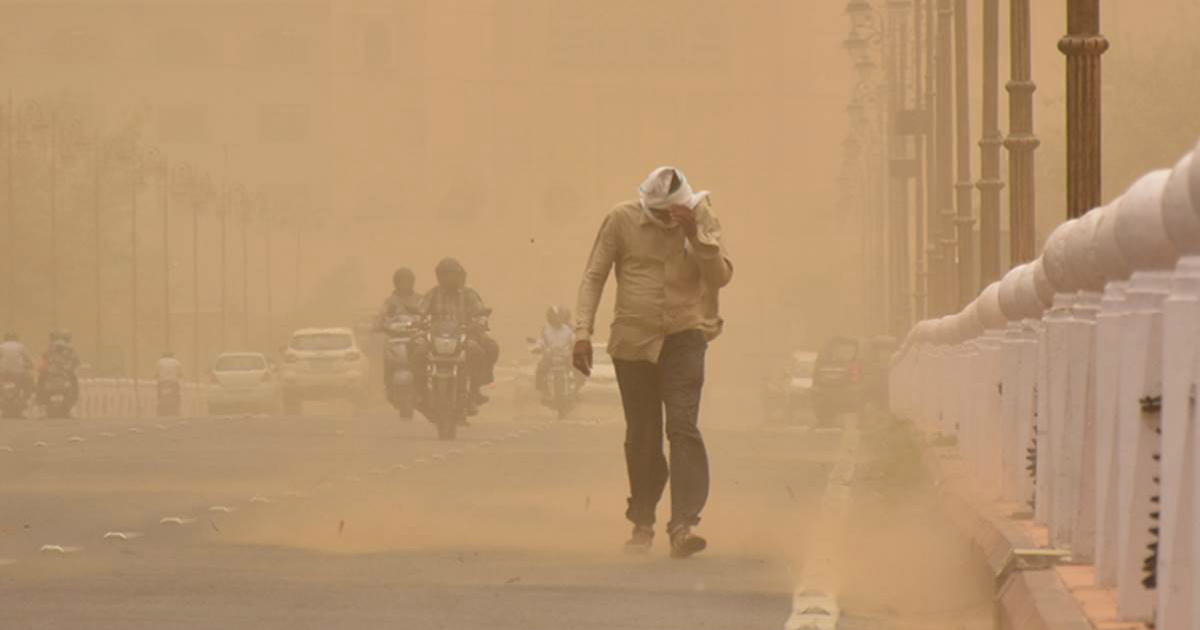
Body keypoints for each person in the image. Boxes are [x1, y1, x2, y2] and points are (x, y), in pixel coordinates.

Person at [574, 166, 733, 558]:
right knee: (643, 434)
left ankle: (682, 524)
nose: (665, 222)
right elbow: (594, 276)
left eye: (671, 215)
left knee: (682, 427)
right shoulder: (621, 219)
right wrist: (581, 332)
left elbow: (721, 276)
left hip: (685, 336)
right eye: (659, 215)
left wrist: (696, 236)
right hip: (633, 341)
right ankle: (642, 519)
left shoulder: (701, 218)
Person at [416, 258, 499, 410]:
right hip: (436, 338)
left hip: (465, 336)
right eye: (445, 275)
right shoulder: (432, 294)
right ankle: (419, 390)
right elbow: (420, 312)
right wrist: (417, 322)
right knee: (416, 350)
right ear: (439, 276)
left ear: (459, 276)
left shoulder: (469, 294)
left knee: (487, 348)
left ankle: (475, 389)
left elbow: (480, 313)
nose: (449, 278)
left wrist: (479, 323)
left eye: (452, 274)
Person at [375, 268, 423, 405]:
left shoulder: (420, 299)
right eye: (401, 281)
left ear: (412, 282)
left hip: (415, 337)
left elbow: (429, 315)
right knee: (388, 361)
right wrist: (378, 325)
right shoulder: (389, 301)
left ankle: (423, 386)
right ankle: (388, 386)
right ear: (395, 282)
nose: (404, 284)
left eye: (407, 281)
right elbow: (380, 317)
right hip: (394, 338)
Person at [534, 306, 576, 401]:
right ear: (549, 318)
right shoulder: (545, 329)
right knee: (540, 368)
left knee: (578, 368)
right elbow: (541, 341)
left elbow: (573, 340)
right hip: (550, 356)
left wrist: (574, 349)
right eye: (554, 317)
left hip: (565, 356)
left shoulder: (568, 329)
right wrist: (539, 347)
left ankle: (575, 388)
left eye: (558, 317)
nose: (556, 320)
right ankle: (543, 389)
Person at [40, 330, 82, 411]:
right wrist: (70, 368)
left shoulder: (49, 348)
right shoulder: (69, 348)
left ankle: (40, 399)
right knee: (74, 383)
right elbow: (77, 361)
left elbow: (44, 358)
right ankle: (73, 400)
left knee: (41, 380)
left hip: (51, 373)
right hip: (65, 373)